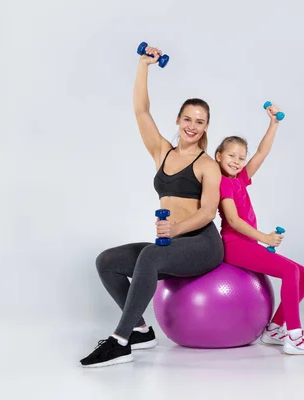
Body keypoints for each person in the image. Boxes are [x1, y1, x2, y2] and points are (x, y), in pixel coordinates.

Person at [80, 45, 224, 367]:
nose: (192, 125)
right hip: (172, 243)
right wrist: (144, 65)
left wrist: (175, 229)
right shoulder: (162, 152)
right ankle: (142, 331)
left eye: (199, 122)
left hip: (202, 244)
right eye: (187, 118)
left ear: (205, 127)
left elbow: (208, 212)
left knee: (150, 254)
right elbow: (141, 111)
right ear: (178, 119)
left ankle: (119, 341)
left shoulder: (207, 165)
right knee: (107, 261)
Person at [214, 104, 304, 355]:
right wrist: (264, 237)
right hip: (233, 246)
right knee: (289, 270)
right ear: (219, 156)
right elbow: (233, 221)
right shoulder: (222, 183)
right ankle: (295, 337)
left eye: (241, 157)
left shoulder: (240, 179)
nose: (237, 161)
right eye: (231, 155)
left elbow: (262, 153)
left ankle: (274, 328)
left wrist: (273, 124)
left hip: (248, 245)